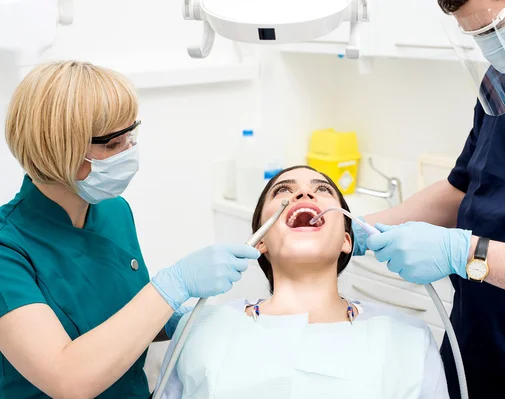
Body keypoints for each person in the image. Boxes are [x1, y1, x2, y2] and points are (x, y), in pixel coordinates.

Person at [350, 0, 505, 398]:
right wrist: (356, 228)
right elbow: (463, 187)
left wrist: (468, 254)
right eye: (478, 36)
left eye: (496, 28)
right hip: (472, 350)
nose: (493, 48)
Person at [0, 61, 259, 399]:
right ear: (58, 149)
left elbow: (123, 321)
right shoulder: (9, 248)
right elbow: (67, 378)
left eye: (131, 135)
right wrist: (173, 285)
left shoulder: (113, 212)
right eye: (112, 144)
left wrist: (180, 321)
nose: (129, 152)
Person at [156, 166, 449, 399]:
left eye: (322, 190)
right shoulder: (200, 330)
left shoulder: (408, 339)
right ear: (260, 241)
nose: (305, 194)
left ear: (347, 240)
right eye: (283, 190)